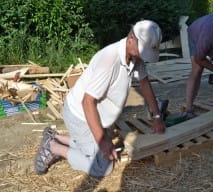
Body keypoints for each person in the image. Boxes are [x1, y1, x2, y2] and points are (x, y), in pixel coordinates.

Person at [34, 20, 166, 178]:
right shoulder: (109, 60)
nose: (142, 57)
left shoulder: (135, 56)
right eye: (142, 51)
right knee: (102, 167)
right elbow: (87, 102)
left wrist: (157, 116)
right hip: (80, 115)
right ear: (131, 38)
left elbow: (144, 83)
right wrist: (102, 141)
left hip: (98, 116)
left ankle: (56, 137)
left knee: (98, 147)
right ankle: (53, 146)